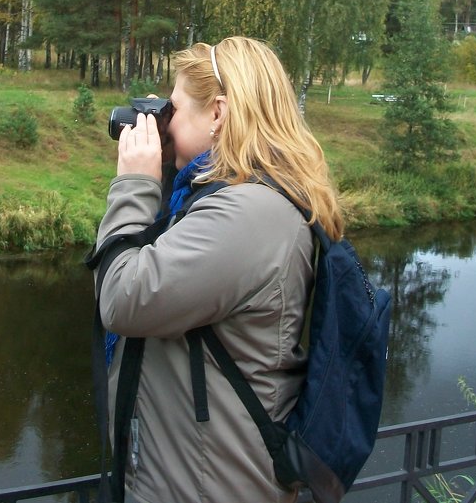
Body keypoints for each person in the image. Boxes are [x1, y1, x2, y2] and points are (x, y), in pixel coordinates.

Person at [94, 36, 345, 503]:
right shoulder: (236, 199)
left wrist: (133, 182)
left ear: (218, 114)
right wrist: (166, 172)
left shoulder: (248, 215)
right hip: (193, 478)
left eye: (174, 109)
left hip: (208, 488)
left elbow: (123, 297)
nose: (164, 121)